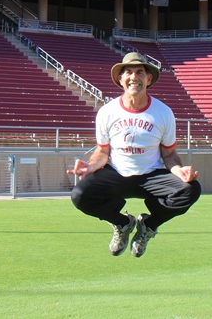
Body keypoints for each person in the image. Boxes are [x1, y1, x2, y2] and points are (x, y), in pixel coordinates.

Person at [67, 52, 201, 257]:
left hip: (151, 175)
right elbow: (103, 152)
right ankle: (122, 224)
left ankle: (148, 225)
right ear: (120, 79)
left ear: (148, 79)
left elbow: (169, 154)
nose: (134, 77)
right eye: (128, 72)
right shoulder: (107, 112)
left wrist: (179, 170)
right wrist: (91, 166)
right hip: (117, 174)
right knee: (80, 194)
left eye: (140, 72)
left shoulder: (163, 112)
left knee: (190, 189)